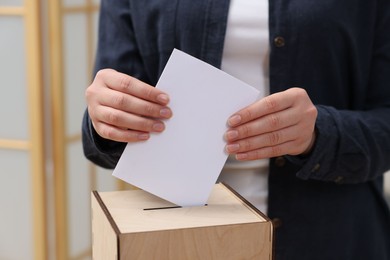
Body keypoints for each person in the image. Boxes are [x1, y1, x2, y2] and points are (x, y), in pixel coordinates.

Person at [82, 0, 390, 259]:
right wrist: (107, 119)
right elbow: (109, 129)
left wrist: (319, 133)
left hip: (332, 237)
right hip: (179, 238)